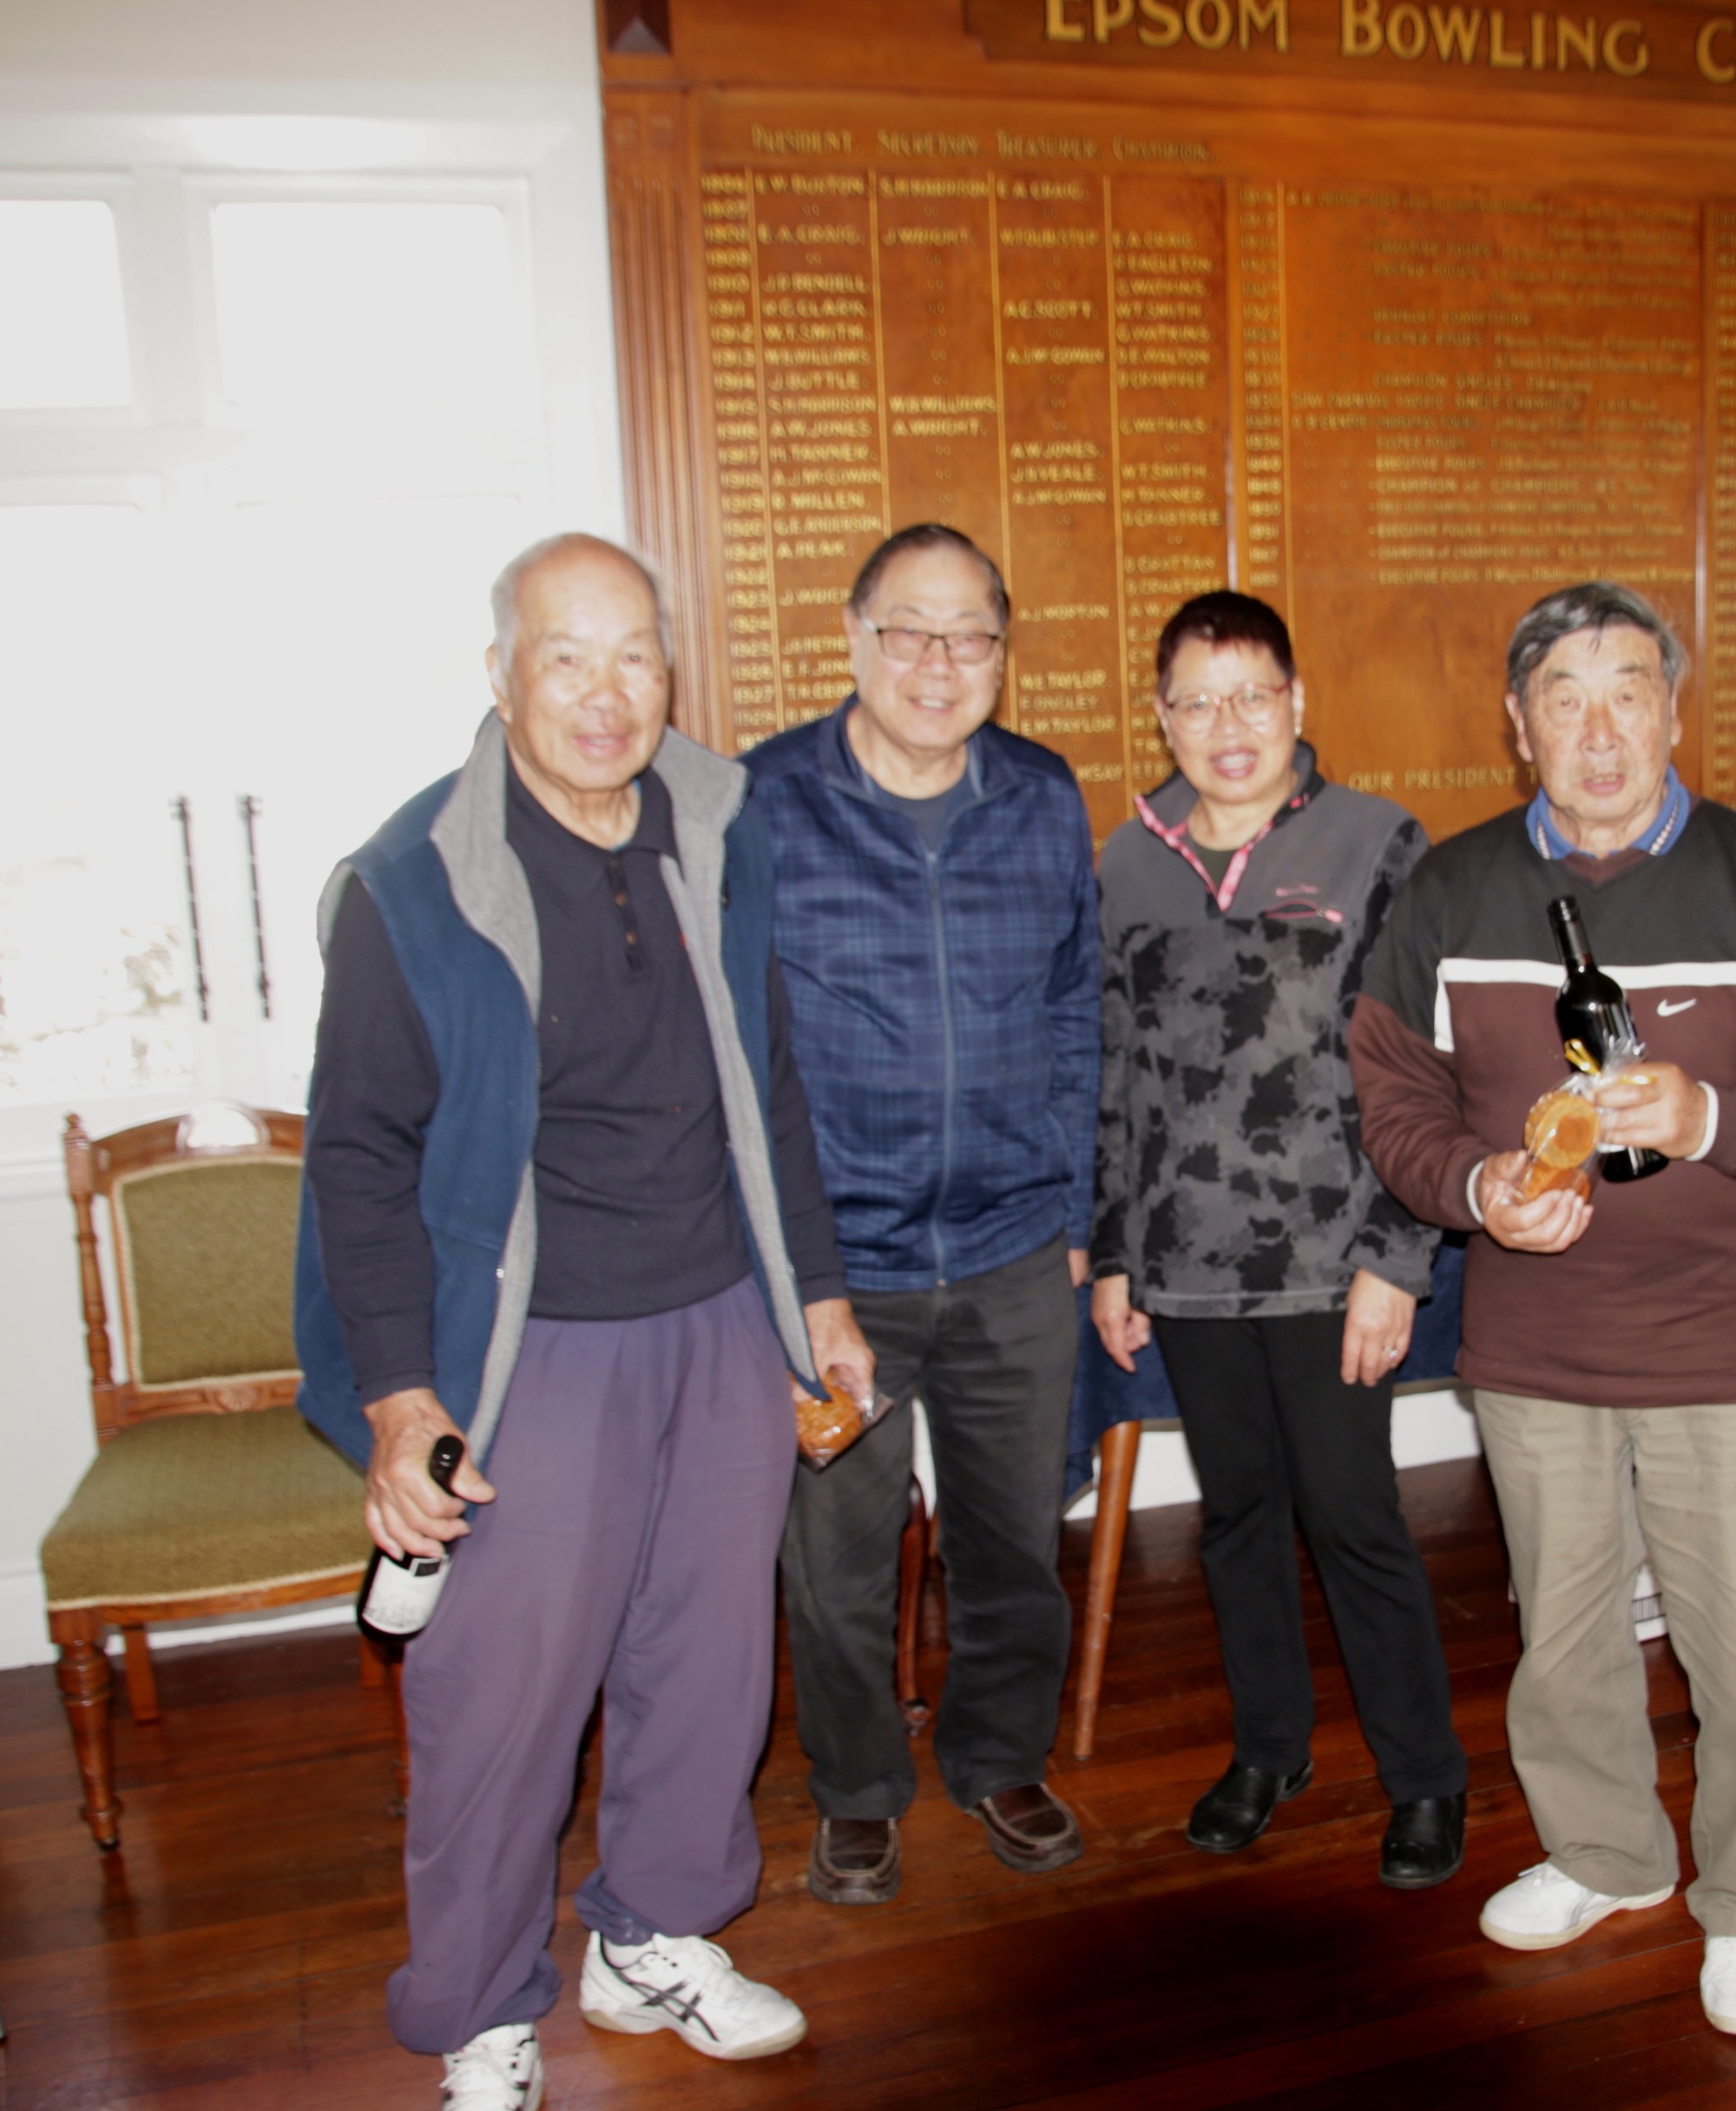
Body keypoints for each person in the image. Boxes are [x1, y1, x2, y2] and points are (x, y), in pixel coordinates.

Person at [293, 532, 874, 2111]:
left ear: (668, 671)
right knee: (503, 1694)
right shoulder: (412, 886)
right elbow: (358, 1160)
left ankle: (652, 1936)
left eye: (634, 655)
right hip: (529, 1342)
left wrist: (816, 1293)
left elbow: (768, 1082)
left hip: (721, 1317)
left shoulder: (717, 827)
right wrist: (401, 1399)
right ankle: (480, 2007)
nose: (606, 694)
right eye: (566, 657)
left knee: (707, 1662)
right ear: (501, 676)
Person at [1347, 581, 1736, 2040]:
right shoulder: (1450, 893)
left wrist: (1717, 1115)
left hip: (1735, 1340)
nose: (1599, 733)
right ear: (1517, 722)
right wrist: (1476, 1187)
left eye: (1628, 693)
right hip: (1538, 1344)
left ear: (1673, 708)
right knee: (1565, 1634)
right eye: (1566, 699)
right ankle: (1607, 1855)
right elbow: (1392, 1097)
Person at [1085, 590, 1468, 1887]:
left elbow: (1421, 1066)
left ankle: (1425, 1775)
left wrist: (1395, 1258)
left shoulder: (1374, 842)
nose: (1228, 726)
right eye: (1197, 702)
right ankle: (1270, 1747)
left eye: (1253, 695)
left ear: (1297, 703)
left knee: (1354, 1516)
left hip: (1331, 1261)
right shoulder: (1129, 860)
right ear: (1163, 717)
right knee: (1238, 1517)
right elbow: (1117, 1073)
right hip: (1188, 1264)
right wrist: (1116, 1252)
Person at [744, 523, 1101, 1906]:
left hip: (1014, 1250)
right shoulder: (765, 804)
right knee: (837, 1561)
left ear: (1003, 655)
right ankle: (856, 1789)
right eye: (909, 630)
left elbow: (1073, 1011)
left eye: (971, 637)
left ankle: (1000, 1756)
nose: (938, 664)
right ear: (853, 637)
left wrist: (1073, 1202)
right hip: (843, 1269)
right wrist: (794, 1268)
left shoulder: (1042, 795)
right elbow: (745, 1050)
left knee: (1013, 1542)